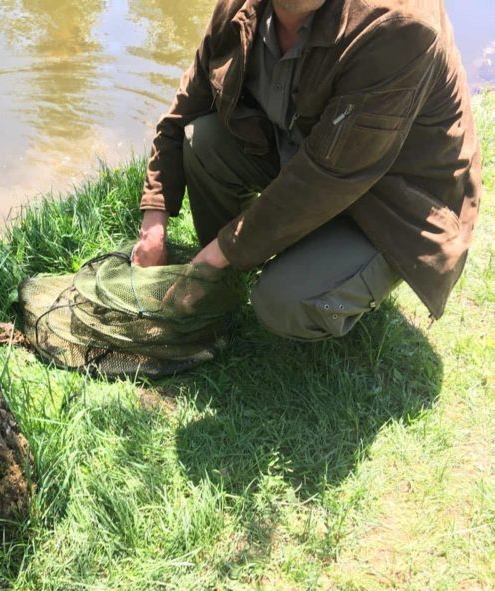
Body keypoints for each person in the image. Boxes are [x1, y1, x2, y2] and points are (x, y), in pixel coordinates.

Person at [133, 0, 481, 340]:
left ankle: (328, 274)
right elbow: (184, 111)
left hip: (393, 205)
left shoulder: (400, 26)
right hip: (309, 156)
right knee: (203, 139)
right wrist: (154, 224)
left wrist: (213, 256)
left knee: (282, 303)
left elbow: (326, 180)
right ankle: (232, 274)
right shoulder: (238, 8)